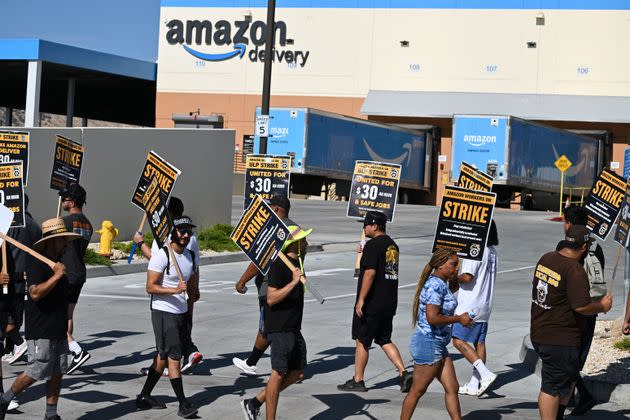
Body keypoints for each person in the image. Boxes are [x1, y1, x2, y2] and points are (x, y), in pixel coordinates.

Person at [0, 218, 81, 420]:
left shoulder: (58, 263)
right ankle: (4, 400)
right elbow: (35, 293)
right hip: (41, 328)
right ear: (52, 240)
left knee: (57, 372)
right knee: (36, 371)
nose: (66, 244)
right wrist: (56, 276)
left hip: (58, 327)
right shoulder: (36, 261)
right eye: (63, 240)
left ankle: (51, 414)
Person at [531, 225, 612, 420]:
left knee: (565, 381)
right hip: (559, 338)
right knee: (551, 386)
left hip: (541, 330)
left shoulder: (546, 258)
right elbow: (582, 307)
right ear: (584, 246)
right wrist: (602, 306)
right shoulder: (574, 270)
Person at [338, 211, 412, 393]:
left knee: (362, 340)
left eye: (366, 225)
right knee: (384, 338)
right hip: (388, 301)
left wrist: (361, 299)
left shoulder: (373, 246)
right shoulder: (392, 246)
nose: (364, 228)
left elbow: (370, 273)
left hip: (372, 302)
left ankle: (358, 380)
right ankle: (404, 373)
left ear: (375, 226)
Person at [135, 216, 199, 418]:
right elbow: (150, 287)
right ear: (173, 232)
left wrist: (193, 293)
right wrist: (174, 290)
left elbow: (192, 279)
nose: (186, 235)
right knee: (174, 358)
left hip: (181, 313)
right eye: (182, 231)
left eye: (189, 231)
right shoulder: (162, 255)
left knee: (161, 358)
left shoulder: (190, 255)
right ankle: (183, 403)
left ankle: (144, 396)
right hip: (164, 312)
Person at [240, 238, 308, 420]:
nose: (308, 243)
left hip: (293, 327)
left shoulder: (297, 263)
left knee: (297, 373)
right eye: (304, 240)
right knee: (278, 374)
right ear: (294, 244)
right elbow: (271, 298)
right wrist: (294, 282)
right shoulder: (278, 264)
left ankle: (254, 402)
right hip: (279, 328)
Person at [401, 248, 473, 420]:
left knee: (452, 387)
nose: (456, 269)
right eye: (453, 265)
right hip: (428, 343)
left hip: (438, 343)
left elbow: (445, 299)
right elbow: (432, 318)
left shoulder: (441, 283)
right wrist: (458, 319)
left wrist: (457, 281)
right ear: (440, 265)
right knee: (417, 391)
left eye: (458, 265)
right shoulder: (435, 285)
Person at [233, 194, 300, 376]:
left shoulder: (274, 230)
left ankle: (255, 363)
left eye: (270, 207)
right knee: (276, 326)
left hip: (271, 286)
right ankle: (257, 362)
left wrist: (242, 281)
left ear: (277, 209)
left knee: (268, 326)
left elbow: (258, 261)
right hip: (291, 287)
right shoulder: (295, 229)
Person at [135, 197, 202, 375]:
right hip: (186, 289)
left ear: (169, 213)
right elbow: (195, 266)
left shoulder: (168, 235)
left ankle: (169, 365)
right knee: (183, 326)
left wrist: (141, 244)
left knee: (166, 337)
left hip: (166, 293)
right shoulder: (190, 236)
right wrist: (196, 289)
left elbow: (157, 261)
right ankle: (188, 353)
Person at [559, 205, 605, 416]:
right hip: (590, 309)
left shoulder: (566, 247)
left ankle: (581, 398)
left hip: (574, 310)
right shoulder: (596, 247)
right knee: (573, 359)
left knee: (569, 360)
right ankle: (578, 397)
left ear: (568, 223)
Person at [452, 220, 498, 397]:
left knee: (457, 340)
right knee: (479, 342)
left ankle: (485, 374)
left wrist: (452, 276)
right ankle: (474, 384)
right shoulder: (492, 251)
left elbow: (467, 277)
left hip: (470, 305)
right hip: (485, 304)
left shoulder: (475, 248)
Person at [58, 183, 93, 375]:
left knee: (56, 317)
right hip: (79, 273)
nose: (62, 201)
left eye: (64, 198)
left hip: (66, 274)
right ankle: (69, 349)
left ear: (71, 202)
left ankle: (76, 350)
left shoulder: (64, 222)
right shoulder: (87, 223)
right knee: (68, 315)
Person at [5, 194, 41, 369]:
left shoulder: (12, 224)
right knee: (16, 316)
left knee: (8, 319)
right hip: (29, 276)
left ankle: (19, 344)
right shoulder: (34, 224)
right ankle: (12, 348)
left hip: (12, 277)